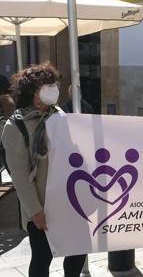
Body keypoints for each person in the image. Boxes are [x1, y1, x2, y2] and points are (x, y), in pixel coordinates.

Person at [1, 63, 87, 277]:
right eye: (46, 85)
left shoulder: (59, 115)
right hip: (41, 206)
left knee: (77, 251)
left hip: (69, 199)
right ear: (32, 92)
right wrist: (35, 211)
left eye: (53, 84)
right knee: (42, 256)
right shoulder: (15, 127)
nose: (53, 88)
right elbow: (20, 176)